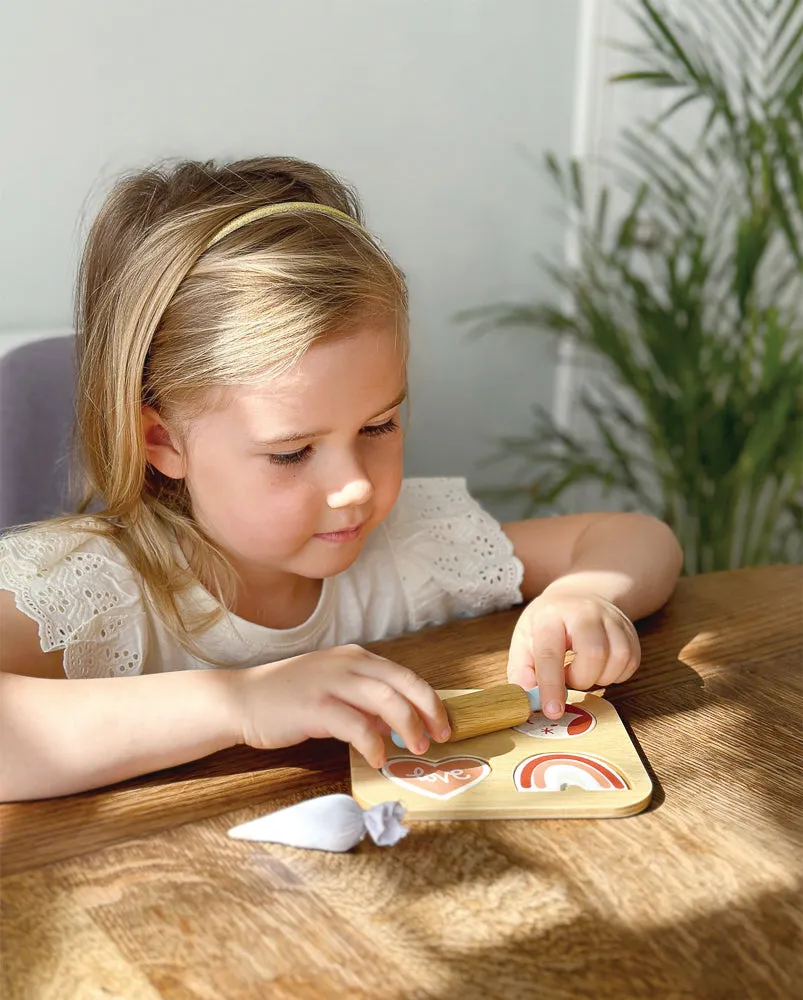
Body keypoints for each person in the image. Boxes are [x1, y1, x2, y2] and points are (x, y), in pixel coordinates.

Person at [0, 156, 683, 802]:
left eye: (379, 426)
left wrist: (584, 598)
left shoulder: (410, 545)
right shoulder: (95, 588)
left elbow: (632, 536)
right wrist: (240, 703)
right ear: (161, 440)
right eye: (293, 452)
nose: (355, 485)